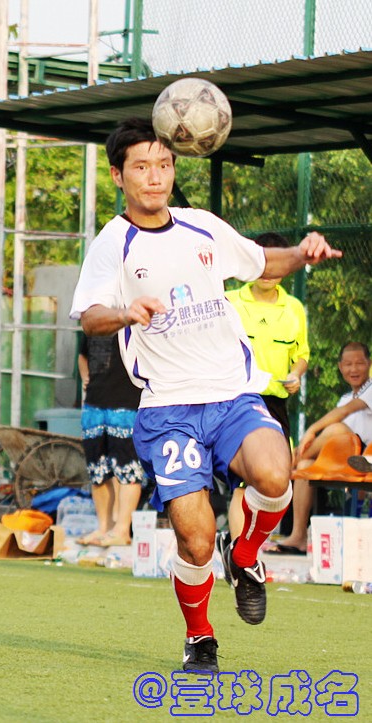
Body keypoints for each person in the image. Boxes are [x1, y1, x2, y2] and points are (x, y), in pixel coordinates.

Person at [69, 118, 340, 673]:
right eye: (141, 167)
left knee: (276, 475)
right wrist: (125, 311)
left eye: (164, 164)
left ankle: (245, 556)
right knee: (194, 541)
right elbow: (91, 316)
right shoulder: (112, 243)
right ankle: (200, 637)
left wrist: (302, 252)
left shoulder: (201, 226)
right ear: (118, 175)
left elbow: (262, 262)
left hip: (232, 393)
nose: (155, 177)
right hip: (169, 408)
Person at [224, 232, 310, 540]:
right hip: (238, 402)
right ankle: (240, 556)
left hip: (275, 404)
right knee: (243, 483)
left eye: (276, 264)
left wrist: (296, 374)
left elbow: (301, 355)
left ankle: (248, 549)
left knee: (276, 482)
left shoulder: (294, 308)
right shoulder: (229, 302)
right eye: (263, 262)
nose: (269, 272)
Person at [272, 341, 372, 554]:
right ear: (340, 367)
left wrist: (311, 430)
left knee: (336, 429)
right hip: (341, 458)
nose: (354, 369)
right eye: (348, 364)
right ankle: (298, 536)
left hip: (365, 455)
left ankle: (290, 463)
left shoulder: (370, 389)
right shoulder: (344, 397)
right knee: (305, 467)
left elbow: (344, 412)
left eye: (359, 363)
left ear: (369, 364)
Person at [76, 333, 146, 547]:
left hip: (128, 404)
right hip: (94, 404)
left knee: (128, 470)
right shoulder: (95, 323)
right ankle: (104, 528)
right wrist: (86, 377)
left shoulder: (138, 324)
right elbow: (83, 355)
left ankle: (122, 530)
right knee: (98, 472)